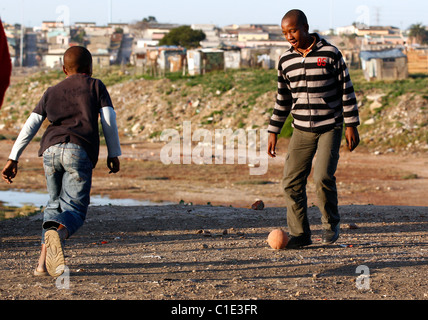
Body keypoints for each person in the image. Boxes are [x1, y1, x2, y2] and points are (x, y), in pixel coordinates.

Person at [1, 46, 122, 277]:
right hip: (79, 150)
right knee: (74, 209)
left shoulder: (51, 91)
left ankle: (41, 264)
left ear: (63, 69)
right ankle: (60, 234)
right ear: (90, 67)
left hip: (50, 150)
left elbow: (31, 124)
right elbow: (109, 119)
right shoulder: (96, 86)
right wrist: (113, 152)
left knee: (54, 205)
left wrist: (13, 157)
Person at [267, 9, 360, 249]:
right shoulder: (285, 60)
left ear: (306, 27)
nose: (290, 36)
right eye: (285, 32)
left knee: (322, 177)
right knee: (291, 181)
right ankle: (300, 234)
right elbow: (283, 99)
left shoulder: (330, 53)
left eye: (294, 30)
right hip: (301, 130)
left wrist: (352, 124)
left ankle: (331, 224)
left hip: (330, 125)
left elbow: (346, 90)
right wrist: (273, 130)